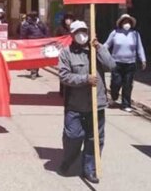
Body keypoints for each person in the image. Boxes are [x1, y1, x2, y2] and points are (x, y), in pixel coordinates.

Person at [58, 21, 115, 184]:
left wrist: (99, 47)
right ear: (72, 35)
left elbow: (111, 66)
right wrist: (85, 79)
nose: (82, 34)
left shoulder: (96, 50)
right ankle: (68, 159)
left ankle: (89, 169)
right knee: (73, 136)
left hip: (96, 104)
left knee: (94, 138)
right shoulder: (66, 53)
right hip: (75, 105)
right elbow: (63, 75)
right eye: (78, 32)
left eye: (84, 31)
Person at [104, 14, 146, 112]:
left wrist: (143, 59)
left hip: (130, 64)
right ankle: (114, 97)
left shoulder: (135, 34)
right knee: (116, 83)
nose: (127, 24)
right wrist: (99, 50)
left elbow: (139, 48)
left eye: (128, 22)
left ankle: (126, 104)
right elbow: (107, 45)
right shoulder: (115, 33)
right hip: (116, 63)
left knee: (127, 84)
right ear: (121, 23)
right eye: (125, 22)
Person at [20, 11, 49, 79]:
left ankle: (36, 70)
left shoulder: (41, 23)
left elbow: (46, 31)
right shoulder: (27, 24)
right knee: (33, 58)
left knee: (38, 58)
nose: (33, 18)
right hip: (31, 44)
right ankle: (33, 72)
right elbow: (23, 34)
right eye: (32, 16)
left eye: (34, 16)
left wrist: (45, 39)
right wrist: (23, 42)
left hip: (40, 43)